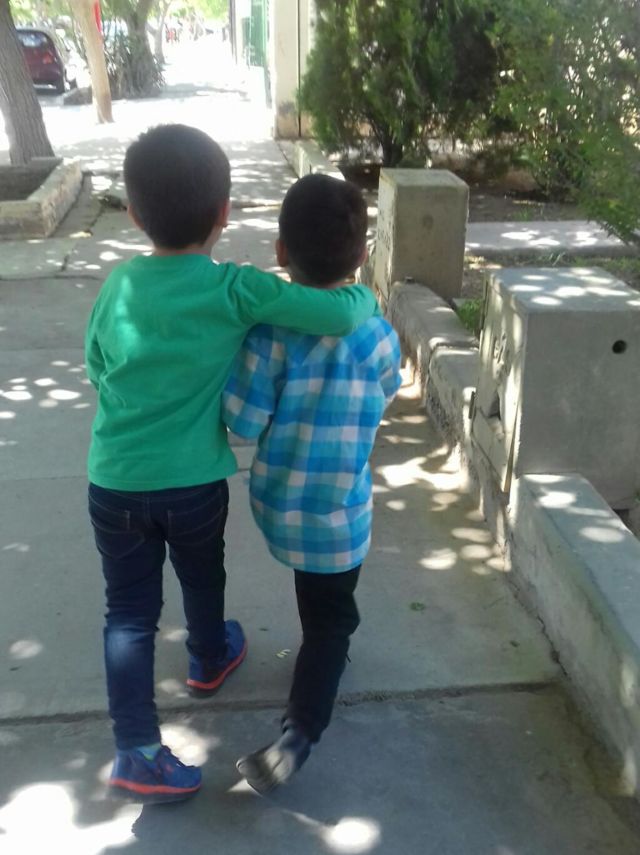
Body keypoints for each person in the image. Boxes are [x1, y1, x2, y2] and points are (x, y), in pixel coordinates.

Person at [84, 125, 378, 804]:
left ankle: (137, 749)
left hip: (113, 479)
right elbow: (329, 312)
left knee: (127, 612)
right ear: (224, 213)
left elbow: (97, 366)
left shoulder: (118, 286)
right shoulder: (236, 289)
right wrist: (364, 296)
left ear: (134, 214)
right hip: (192, 483)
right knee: (201, 571)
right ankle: (209, 655)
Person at [222, 173, 402, 794]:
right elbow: (385, 392)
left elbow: (242, 422)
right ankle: (299, 733)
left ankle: (320, 655)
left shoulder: (269, 336)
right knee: (331, 620)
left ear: (280, 252)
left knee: (316, 593)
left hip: (281, 505)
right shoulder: (378, 334)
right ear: (362, 255)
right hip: (340, 512)